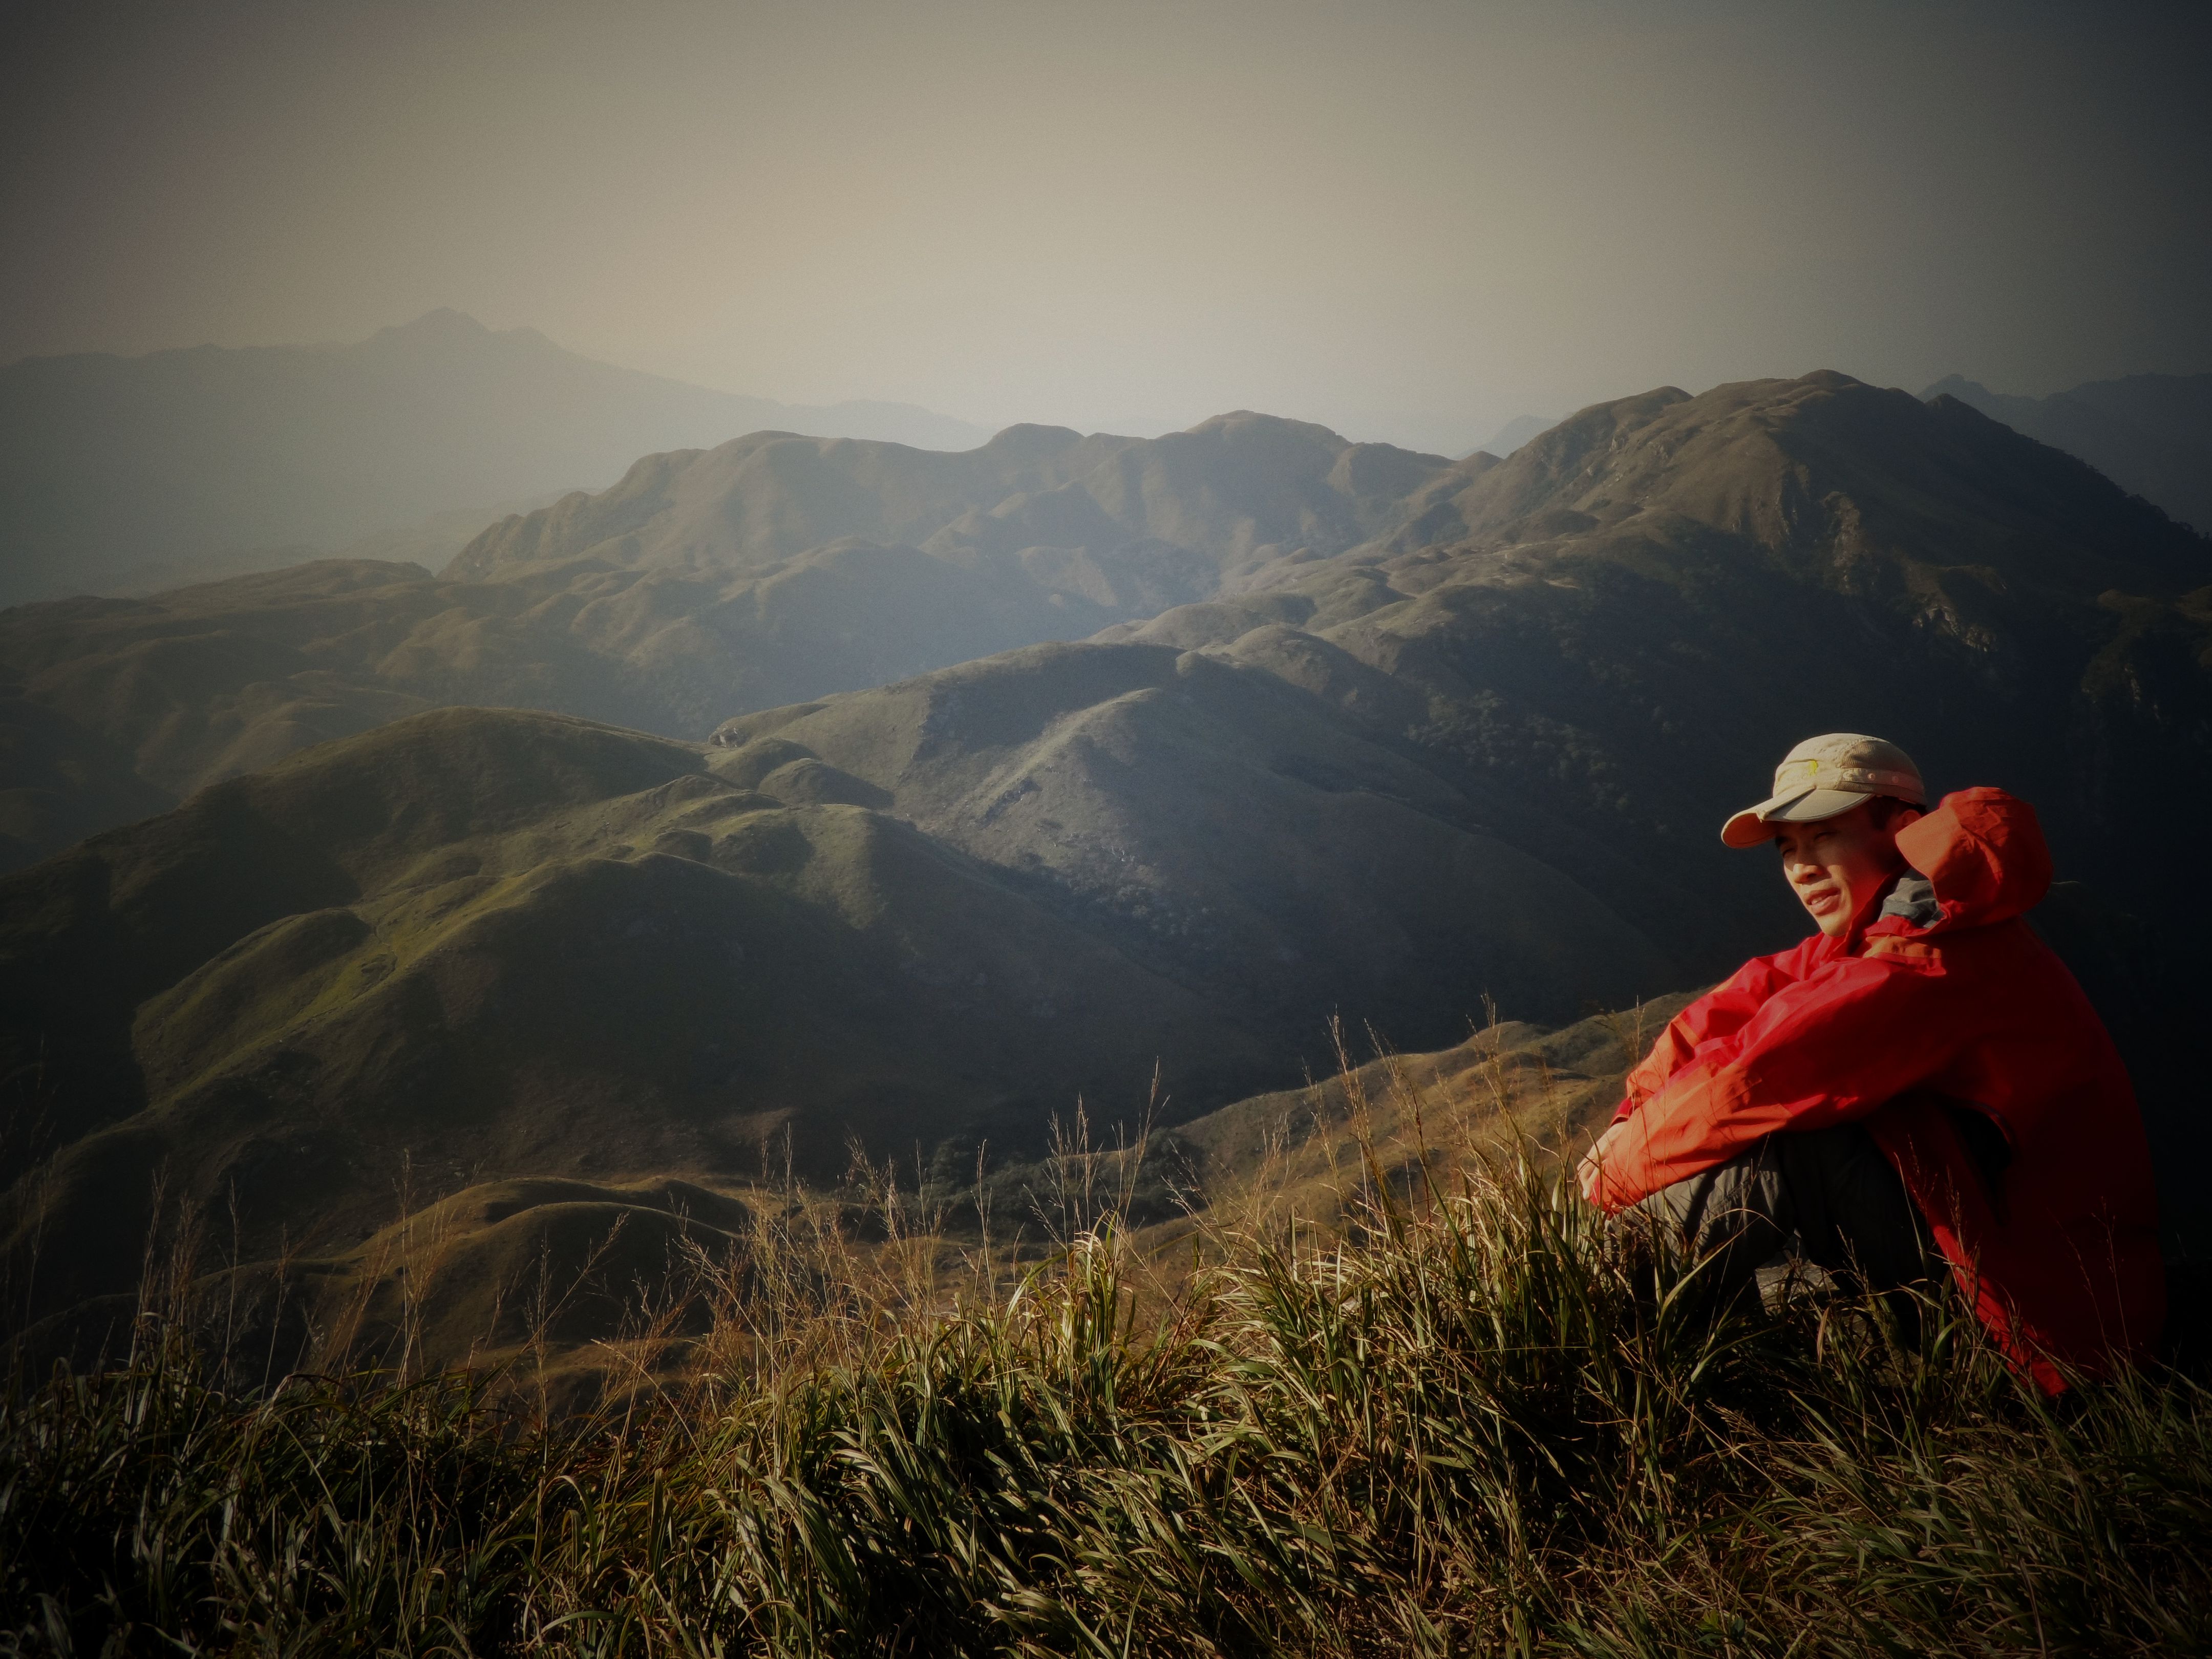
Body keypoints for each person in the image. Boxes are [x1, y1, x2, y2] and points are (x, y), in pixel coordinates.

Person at [1577, 733, 2164, 1390]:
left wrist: (1606, 1177)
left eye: (1822, 835)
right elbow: (1736, 1005)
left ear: (1902, 830)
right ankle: (1651, 1351)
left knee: (1790, 1148)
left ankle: (1595, 1348)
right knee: (1770, 1144)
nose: (1800, 865)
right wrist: (1632, 1111)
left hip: (2044, 1329)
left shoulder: (1933, 957)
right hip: (1992, 1263)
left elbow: (1757, 1077)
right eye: (1787, 847)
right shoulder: (1894, 928)